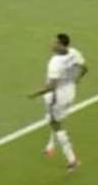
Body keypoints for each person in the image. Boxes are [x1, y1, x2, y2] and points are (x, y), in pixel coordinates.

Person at [27, 33, 87, 172]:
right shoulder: (74, 52)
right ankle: (50, 146)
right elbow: (85, 68)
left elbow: (51, 87)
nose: (51, 44)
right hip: (70, 92)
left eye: (54, 42)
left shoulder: (55, 62)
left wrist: (35, 94)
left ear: (61, 45)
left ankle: (72, 160)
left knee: (55, 123)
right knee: (53, 119)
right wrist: (77, 79)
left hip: (57, 96)